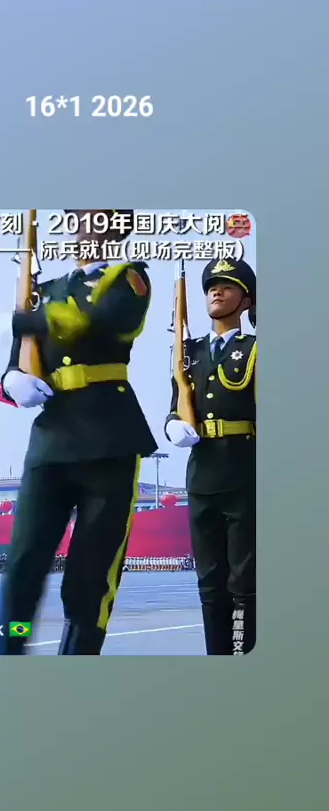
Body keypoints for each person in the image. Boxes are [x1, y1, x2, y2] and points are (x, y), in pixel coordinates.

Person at [0, 210, 158, 655]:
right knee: (23, 566)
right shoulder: (43, 292)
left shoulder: (129, 279)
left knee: (90, 576)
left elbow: (102, 320)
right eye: (77, 215)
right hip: (51, 440)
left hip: (109, 439)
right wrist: (12, 379)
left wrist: (29, 317)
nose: (82, 222)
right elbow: (16, 361)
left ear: (114, 226)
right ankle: (8, 654)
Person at [164, 257, 256, 655]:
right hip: (202, 477)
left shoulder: (255, 350)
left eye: (227, 286)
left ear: (246, 301)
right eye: (211, 287)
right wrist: (172, 425)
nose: (216, 291)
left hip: (245, 475)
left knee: (244, 582)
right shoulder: (189, 353)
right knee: (210, 583)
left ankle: (243, 656)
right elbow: (175, 404)